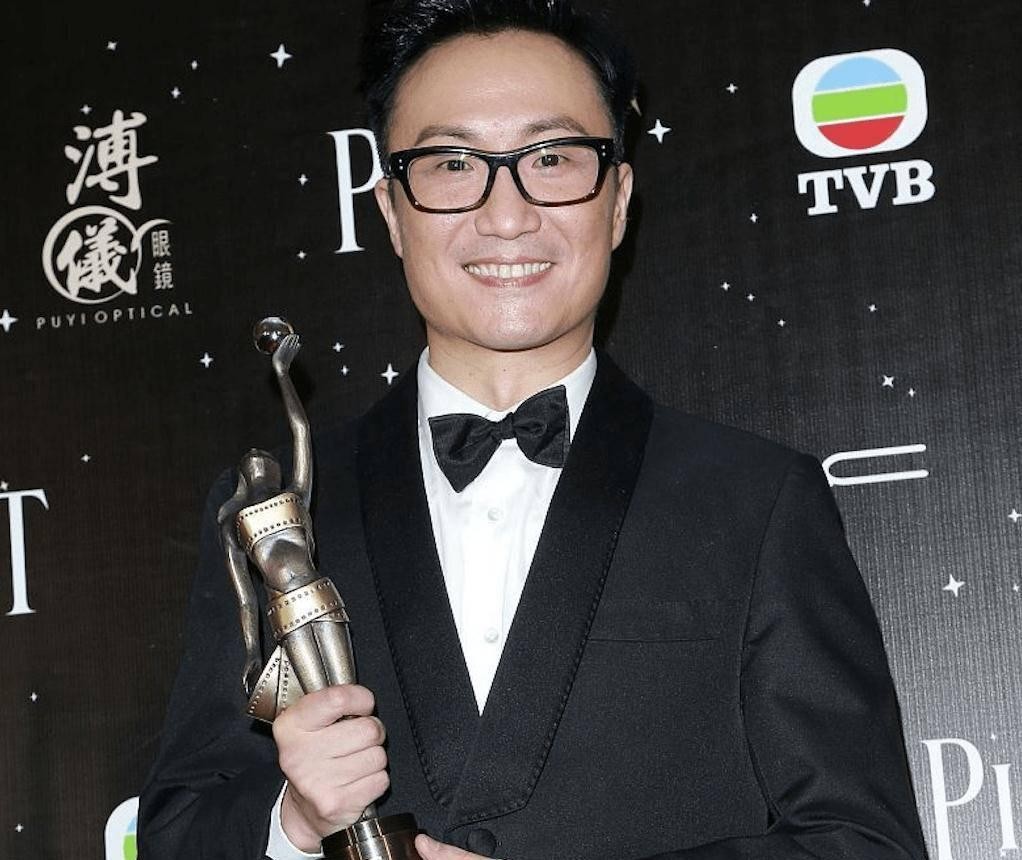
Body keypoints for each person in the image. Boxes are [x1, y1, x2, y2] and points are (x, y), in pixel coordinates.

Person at [139, 1, 931, 858]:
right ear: (392, 210)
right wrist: (292, 824)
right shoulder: (280, 511)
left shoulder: (757, 499)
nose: (507, 214)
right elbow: (182, 832)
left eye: (551, 158)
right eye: (452, 164)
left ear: (618, 200)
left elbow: (862, 844)